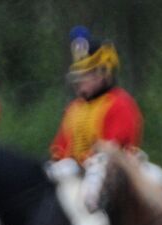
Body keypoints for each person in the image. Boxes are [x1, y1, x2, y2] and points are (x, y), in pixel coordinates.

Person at [49, 26, 143, 165]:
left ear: (103, 74)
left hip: (109, 177)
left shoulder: (120, 104)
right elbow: (59, 149)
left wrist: (79, 164)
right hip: (75, 175)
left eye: (84, 75)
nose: (78, 83)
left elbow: (113, 152)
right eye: (77, 77)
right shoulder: (73, 108)